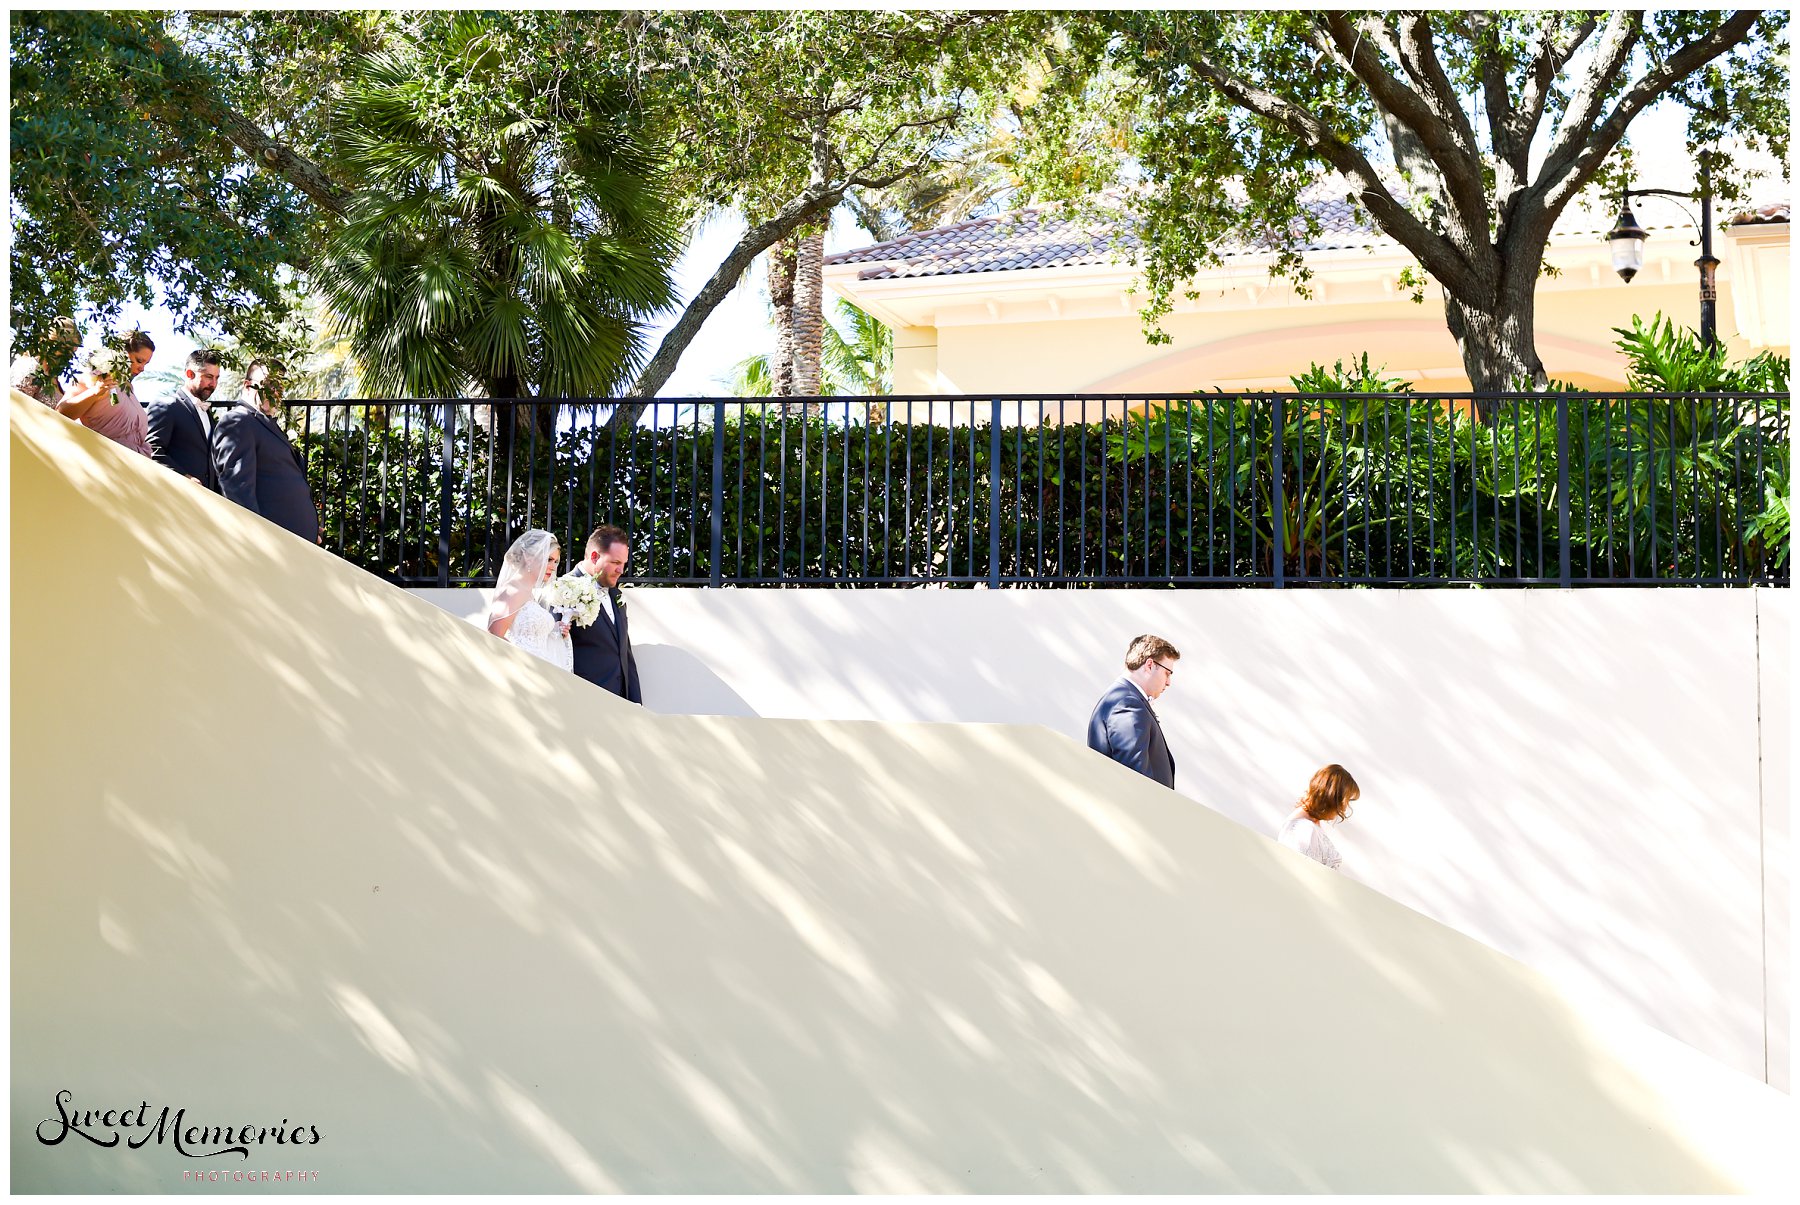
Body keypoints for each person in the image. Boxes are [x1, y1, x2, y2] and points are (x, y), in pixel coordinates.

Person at [211, 360, 320, 542]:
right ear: (247, 385)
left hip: (295, 541)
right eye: (269, 385)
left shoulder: (265, 424)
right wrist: (258, 540)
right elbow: (238, 490)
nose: (276, 392)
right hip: (272, 543)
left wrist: (309, 525)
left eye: (280, 387)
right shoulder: (237, 422)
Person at [1086, 634, 1179, 788]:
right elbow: (1134, 776)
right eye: (1167, 673)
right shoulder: (1128, 704)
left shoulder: (1123, 698)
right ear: (1149, 665)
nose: (1168, 682)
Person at [563, 524, 641, 703]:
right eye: (615, 563)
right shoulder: (565, 589)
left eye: (623, 564)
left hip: (621, 705)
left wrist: (636, 702)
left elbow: (624, 653)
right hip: (583, 701)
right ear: (594, 556)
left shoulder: (616, 595)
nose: (621, 570)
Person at [476, 529, 573, 671]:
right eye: (548, 559)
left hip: (540, 672)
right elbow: (494, 637)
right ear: (528, 557)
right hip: (524, 672)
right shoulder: (513, 591)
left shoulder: (528, 593)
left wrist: (555, 629)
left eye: (556, 561)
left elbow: (529, 634)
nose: (553, 567)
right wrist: (526, 664)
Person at [56, 331, 156, 457]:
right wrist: (96, 392)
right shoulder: (94, 377)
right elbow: (62, 411)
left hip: (133, 463)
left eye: (145, 364)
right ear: (122, 353)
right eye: (139, 360)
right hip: (105, 458)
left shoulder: (128, 389)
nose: (142, 368)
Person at [146, 348, 223, 490]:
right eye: (208, 377)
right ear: (190, 374)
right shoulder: (167, 405)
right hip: (177, 495)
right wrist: (185, 477)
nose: (213, 384)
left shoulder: (207, 413)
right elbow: (152, 450)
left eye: (216, 378)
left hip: (208, 500)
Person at [1277, 764, 1359, 871]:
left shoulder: (1310, 824)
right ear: (1332, 797)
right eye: (1345, 801)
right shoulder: (1305, 829)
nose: (1344, 809)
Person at [10, 316, 81, 406]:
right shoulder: (29, 367)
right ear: (52, 343)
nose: (69, 357)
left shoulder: (53, 376)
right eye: (66, 350)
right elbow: (14, 406)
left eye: (73, 352)